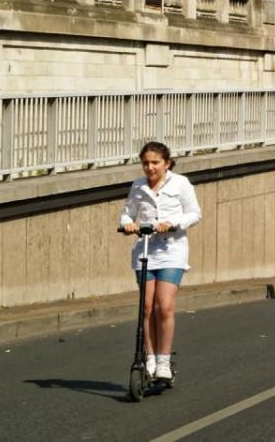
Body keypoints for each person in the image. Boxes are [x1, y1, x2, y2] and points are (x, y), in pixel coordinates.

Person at [119, 142, 201, 381]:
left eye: (155, 162)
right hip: (145, 248)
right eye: (146, 163)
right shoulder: (138, 186)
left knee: (163, 306)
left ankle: (164, 361)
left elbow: (195, 213)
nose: (150, 167)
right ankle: (151, 357)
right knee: (146, 306)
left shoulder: (181, 184)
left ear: (167, 163)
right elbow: (127, 212)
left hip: (172, 249)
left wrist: (174, 223)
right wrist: (128, 224)